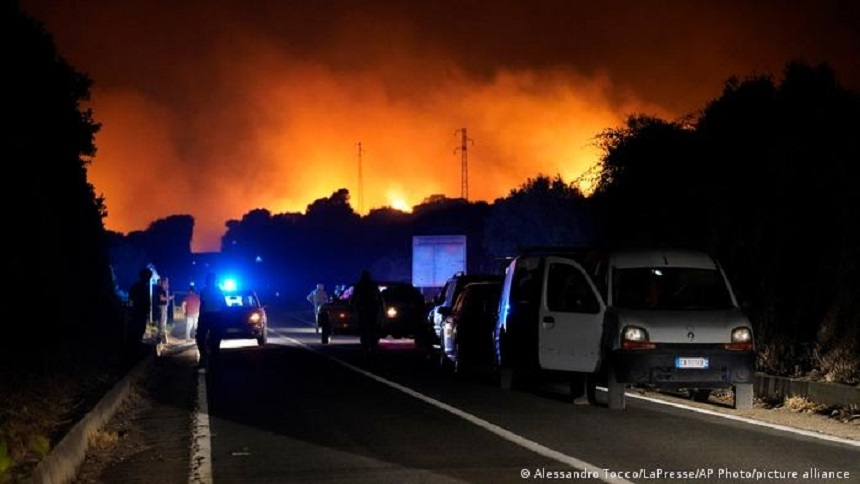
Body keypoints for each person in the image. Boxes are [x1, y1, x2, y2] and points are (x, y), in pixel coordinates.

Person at [350, 269, 383, 356]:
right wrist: (382, 308)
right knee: (372, 329)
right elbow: (379, 297)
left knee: (364, 329)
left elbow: (354, 297)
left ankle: (366, 347)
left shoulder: (359, 285)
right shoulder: (372, 285)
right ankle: (372, 346)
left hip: (364, 309)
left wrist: (351, 307)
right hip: (372, 309)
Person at [197, 272, 226, 368]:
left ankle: (204, 357)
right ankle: (214, 357)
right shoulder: (219, 291)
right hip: (216, 316)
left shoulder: (204, 291)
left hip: (207, 316)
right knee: (215, 338)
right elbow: (223, 305)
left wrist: (200, 318)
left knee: (201, 337)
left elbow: (202, 305)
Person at [128, 268, 153, 348]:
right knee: (138, 328)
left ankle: (138, 342)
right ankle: (136, 344)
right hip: (138, 311)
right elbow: (131, 298)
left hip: (142, 311)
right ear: (144, 276)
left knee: (142, 327)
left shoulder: (143, 286)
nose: (149, 279)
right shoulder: (138, 286)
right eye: (148, 277)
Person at [154, 277, 171, 344]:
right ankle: (160, 337)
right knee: (162, 321)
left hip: (164, 306)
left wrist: (166, 290)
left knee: (163, 321)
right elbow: (162, 298)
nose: (167, 283)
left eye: (168, 282)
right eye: (166, 281)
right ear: (163, 282)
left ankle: (162, 336)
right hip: (162, 306)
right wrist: (169, 297)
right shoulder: (160, 288)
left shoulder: (163, 288)